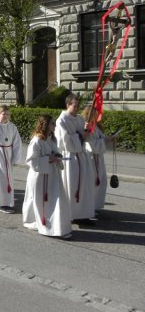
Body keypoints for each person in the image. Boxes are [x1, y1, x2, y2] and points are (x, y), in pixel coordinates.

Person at [22, 115, 72, 239]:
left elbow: (55, 151)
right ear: (45, 125)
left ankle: (58, 227)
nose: (54, 126)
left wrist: (58, 155)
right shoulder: (37, 140)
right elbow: (31, 160)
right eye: (52, 124)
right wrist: (48, 159)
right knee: (44, 203)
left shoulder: (51, 139)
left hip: (52, 175)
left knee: (57, 201)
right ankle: (48, 228)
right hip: (40, 177)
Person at [55, 94, 96, 225]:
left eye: (78, 105)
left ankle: (83, 214)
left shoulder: (79, 119)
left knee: (85, 186)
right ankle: (71, 214)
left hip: (81, 156)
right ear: (67, 105)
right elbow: (64, 141)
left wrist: (88, 131)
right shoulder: (62, 120)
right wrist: (80, 135)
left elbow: (87, 137)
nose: (77, 108)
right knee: (72, 186)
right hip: (70, 157)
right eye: (74, 105)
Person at [81, 106, 115, 213]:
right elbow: (92, 144)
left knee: (101, 182)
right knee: (91, 183)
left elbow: (100, 139)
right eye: (96, 113)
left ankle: (96, 205)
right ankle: (89, 207)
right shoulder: (87, 126)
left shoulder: (97, 126)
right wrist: (105, 141)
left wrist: (109, 139)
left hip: (98, 158)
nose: (98, 115)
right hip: (90, 158)